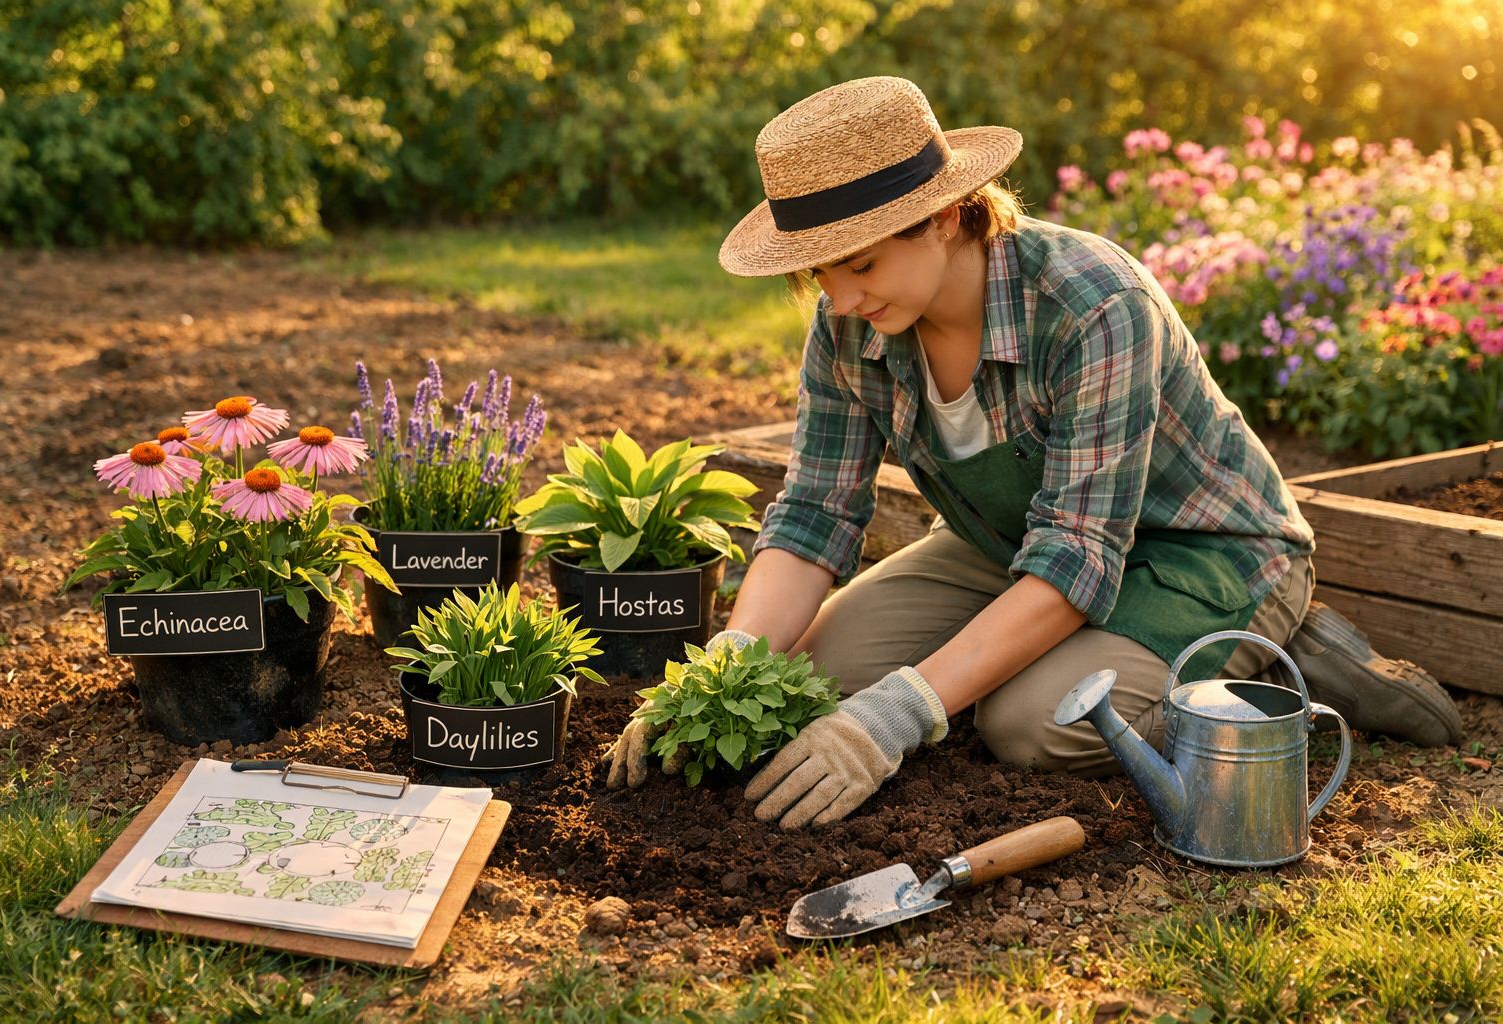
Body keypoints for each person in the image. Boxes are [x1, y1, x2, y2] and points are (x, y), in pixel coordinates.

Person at [604, 76, 1462, 828]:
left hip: (1198, 554)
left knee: (1031, 720)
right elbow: (814, 513)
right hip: (1012, 542)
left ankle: (1284, 669)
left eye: (859, 264)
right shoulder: (850, 324)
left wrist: (901, 714)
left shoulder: (1091, 305)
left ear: (942, 214)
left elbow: (1080, 554)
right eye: (817, 274)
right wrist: (726, 667)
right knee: (813, 677)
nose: (839, 297)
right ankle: (1056, 655)